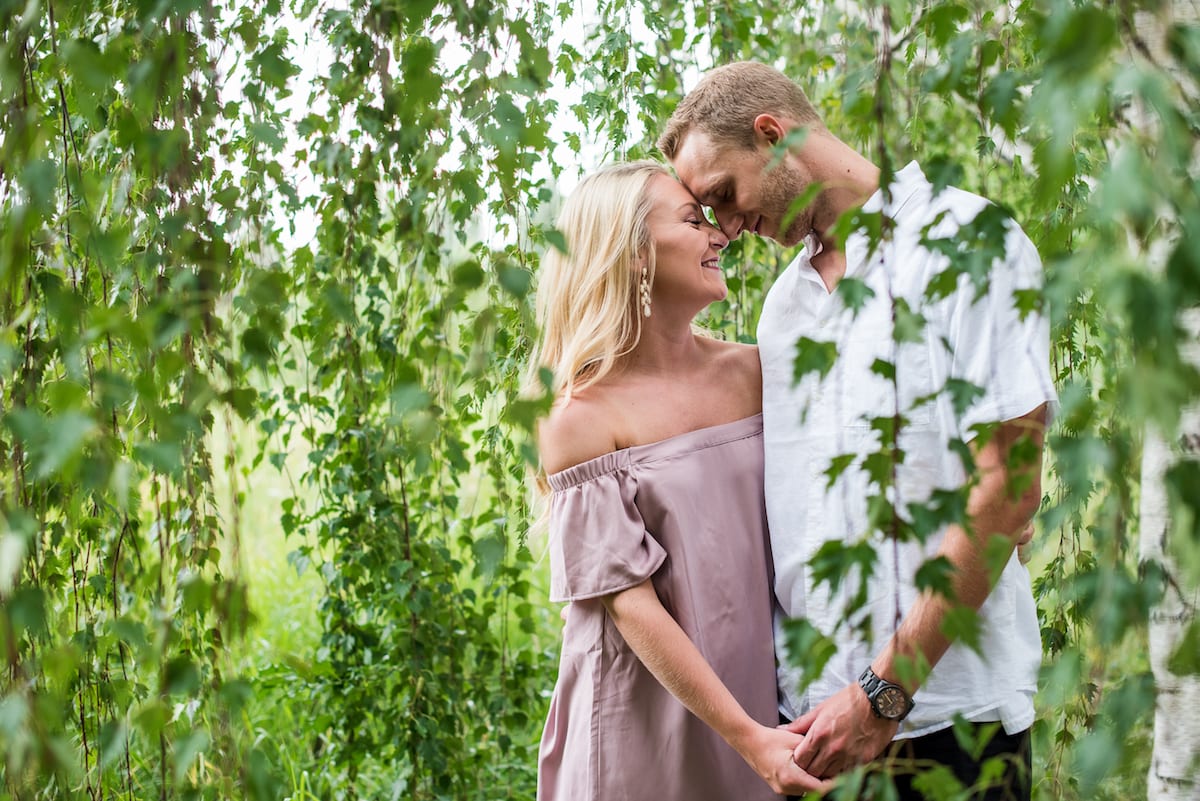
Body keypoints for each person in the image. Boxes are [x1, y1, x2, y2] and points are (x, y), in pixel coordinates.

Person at [658, 61, 1056, 799]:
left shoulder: (971, 241)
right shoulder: (782, 311)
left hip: (951, 725)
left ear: (772, 135)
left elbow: (1010, 486)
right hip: (815, 739)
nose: (730, 227)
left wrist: (883, 697)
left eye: (724, 196)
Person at [528, 161, 827, 800]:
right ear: (634, 254)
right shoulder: (580, 417)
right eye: (694, 221)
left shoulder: (756, 372)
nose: (721, 234)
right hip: (643, 726)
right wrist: (747, 737)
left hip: (761, 707)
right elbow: (629, 604)